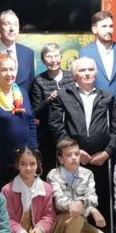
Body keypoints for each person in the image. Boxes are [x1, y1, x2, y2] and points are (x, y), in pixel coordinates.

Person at [49, 57, 116, 222]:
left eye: (91, 69)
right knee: (72, 195)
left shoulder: (108, 97)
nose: (87, 73)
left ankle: (102, 229)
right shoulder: (63, 95)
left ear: (96, 73)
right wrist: (73, 152)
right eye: (82, 70)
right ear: (74, 75)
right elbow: (56, 126)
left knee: (101, 194)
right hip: (72, 157)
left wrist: (107, 152)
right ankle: (76, 231)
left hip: (101, 158)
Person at [47, 139, 110, 233]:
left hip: (78, 221)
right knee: (76, 216)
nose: (74, 157)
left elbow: (93, 198)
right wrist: (89, 208)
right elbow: (59, 202)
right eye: (69, 155)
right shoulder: (53, 175)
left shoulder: (87, 174)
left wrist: (84, 204)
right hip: (58, 222)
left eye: (76, 154)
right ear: (61, 159)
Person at [0, 53, 38, 190]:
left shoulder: (22, 92)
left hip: (24, 160)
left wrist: (34, 151)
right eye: (4, 70)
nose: (9, 74)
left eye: (12, 69)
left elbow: (31, 122)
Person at [2, 147, 55, 233]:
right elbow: (8, 218)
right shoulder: (7, 190)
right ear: (17, 165)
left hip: (33, 228)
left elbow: (49, 215)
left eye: (32, 164)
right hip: (15, 232)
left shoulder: (47, 188)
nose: (28, 168)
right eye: (23, 164)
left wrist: (40, 229)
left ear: (38, 165)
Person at [31, 42, 75, 175]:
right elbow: (35, 111)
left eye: (56, 56)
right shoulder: (39, 80)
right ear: (43, 60)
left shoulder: (71, 77)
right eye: (49, 56)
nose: (53, 60)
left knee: (70, 165)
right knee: (50, 169)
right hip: (47, 132)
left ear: (61, 56)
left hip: (70, 129)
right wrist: (49, 99)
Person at [79, 11, 116, 112]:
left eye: (111, 26)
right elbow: (82, 83)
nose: (109, 30)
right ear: (94, 29)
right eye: (104, 26)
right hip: (95, 109)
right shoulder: (85, 52)